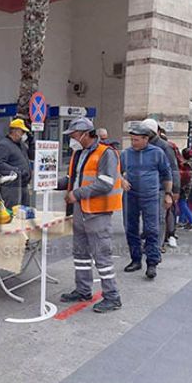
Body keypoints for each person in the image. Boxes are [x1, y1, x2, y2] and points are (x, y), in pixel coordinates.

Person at [59, 117, 123, 313]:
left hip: (98, 212)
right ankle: (83, 290)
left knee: (101, 255)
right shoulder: (79, 153)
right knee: (80, 254)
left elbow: (105, 183)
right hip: (81, 210)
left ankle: (112, 296)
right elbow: (74, 178)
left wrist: (76, 194)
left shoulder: (106, 153)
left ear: (85, 134)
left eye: (74, 135)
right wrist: (49, 182)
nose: (72, 139)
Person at [121, 124, 172, 279]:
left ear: (146, 139)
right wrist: (121, 180)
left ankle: (152, 262)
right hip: (130, 196)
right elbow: (116, 172)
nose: (133, 143)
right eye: (131, 139)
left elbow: (167, 174)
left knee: (151, 229)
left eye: (136, 140)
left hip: (150, 196)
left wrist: (168, 194)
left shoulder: (157, 153)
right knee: (131, 228)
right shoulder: (126, 154)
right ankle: (136, 259)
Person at [141, 119, 180, 251]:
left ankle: (157, 245)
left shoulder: (164, 147)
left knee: (159, 217)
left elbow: (173, 169)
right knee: (148, 217)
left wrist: (174, 190)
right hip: (146, 187)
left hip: (161, 187)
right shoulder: (142, 145)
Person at [0, 118, 32, 208]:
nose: (24, 134)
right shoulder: (4, 145)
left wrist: (32, 142)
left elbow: (31, 155)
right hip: (11, 187)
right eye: (22, 131)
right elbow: (0, 164)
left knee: (24, 211)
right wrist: (17, 171)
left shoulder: (21, 145)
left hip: (23, 184)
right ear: (15, 131)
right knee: (13, 210)